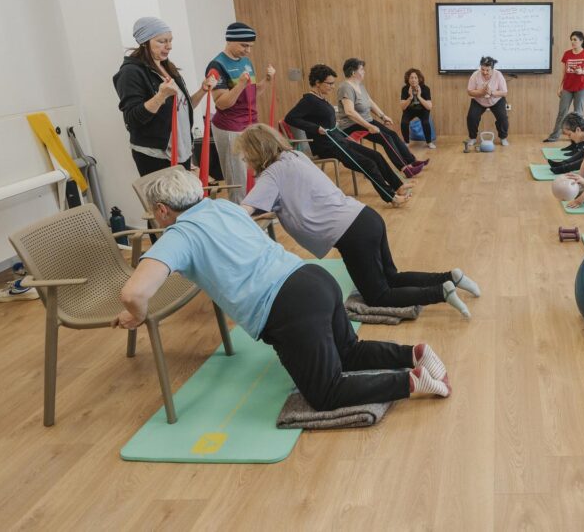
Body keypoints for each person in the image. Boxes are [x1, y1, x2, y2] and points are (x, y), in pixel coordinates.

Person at [112, 168, 454, 412]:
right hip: (313, 279)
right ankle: (414, 353)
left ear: (161, 210)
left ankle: (411, 381)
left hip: (289, 308)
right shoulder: (224, 207)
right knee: (348, 351)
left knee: (326, 392)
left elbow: (134, 293)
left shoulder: (179, 235)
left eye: (154, 216)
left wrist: (136, 316)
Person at [236, 124, 479, 318]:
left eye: (245, 157)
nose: (246, 163)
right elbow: (288, 196)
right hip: (366, 217)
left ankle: (441, 291)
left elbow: (242, 211)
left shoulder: (271, 175)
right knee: (391, 277)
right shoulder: (294, 156)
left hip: (352, 235)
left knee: (378, 295)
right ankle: (452, 276)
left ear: (256, 153)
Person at [285, 64, 412, 207]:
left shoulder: (320, 98)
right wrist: (315, 128)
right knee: (368, 164)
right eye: (330, 83)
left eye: (333, 83)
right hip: (326, 146)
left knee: (377, 156)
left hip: (337, 140)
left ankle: (398, 186)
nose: (333, 87)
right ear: (317, 83)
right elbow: (290, 118)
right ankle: (391, 197)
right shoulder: (308, 100)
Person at [114, 17, 215, 176]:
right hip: (156, 155)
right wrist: (161, 95)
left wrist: (202, 90)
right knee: (167, 201)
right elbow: (132, 119)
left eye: (170, 40)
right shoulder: (130, 73)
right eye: (162, 41)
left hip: (182, 150)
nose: (169, 46)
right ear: (144, 42)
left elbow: (181, 108)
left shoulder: (167, 66)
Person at [207, 22, 275, 202]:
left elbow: (252, 94)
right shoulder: (217, 65)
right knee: (238, 180)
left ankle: (256, 211)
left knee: (256, 173)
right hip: (230, 127)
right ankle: (241, 217)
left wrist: (266, 80)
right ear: (230, 41)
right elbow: (222, 104)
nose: (248, 50)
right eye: (244, 45)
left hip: (249, 124)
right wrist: (240, 85)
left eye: (250, 46)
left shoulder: (246, 62)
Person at [337, 58, 425, 176]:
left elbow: (370, 102)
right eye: (362, 69)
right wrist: (369, 126)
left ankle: (411, 161)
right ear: (353, 72)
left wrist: (383, 116)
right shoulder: (345, 87)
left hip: (366, 121)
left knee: (392, 134)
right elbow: (349, 112)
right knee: (386, 139)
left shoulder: (359, 85)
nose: (364, 72)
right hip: (352, 125)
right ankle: (405, 169)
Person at [544, 31, 584, 142]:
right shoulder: (567, 54)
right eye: (571, 39)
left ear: (581, 41)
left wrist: (582, 71)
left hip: (581, 88)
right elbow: (564, 73)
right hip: (567, 87)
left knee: (578, 113)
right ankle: (554, 136)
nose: (572, 42)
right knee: (562, 112)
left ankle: (580, 137)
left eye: (575, 40)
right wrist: (560, 87)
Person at [465, 56, 509, 149]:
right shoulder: (475, 75)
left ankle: (503, 138)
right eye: (482, 69)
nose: (484, 72)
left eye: (487, 70)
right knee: (471, 117)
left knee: (503, 118)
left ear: (492, 69)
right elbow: (469, 91)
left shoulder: (498, 75)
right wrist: (481, 92)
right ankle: (472, 138)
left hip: (496, 100)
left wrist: (491, 92)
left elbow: (504, 92)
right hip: (479, 100)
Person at [400, 68, 435, 149]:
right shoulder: (405, 89)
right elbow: (403, 107)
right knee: (404, 122)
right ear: (408, 79)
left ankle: (429, 142)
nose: (413, 80)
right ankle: (406, 142)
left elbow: (429, 107)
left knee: (425, 122)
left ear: (419, 79)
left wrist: (419, 96)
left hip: (423, 110)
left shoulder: (425, 89)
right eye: (411, 78)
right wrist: (410, 97)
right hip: (409, 110)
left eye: (415, 78)